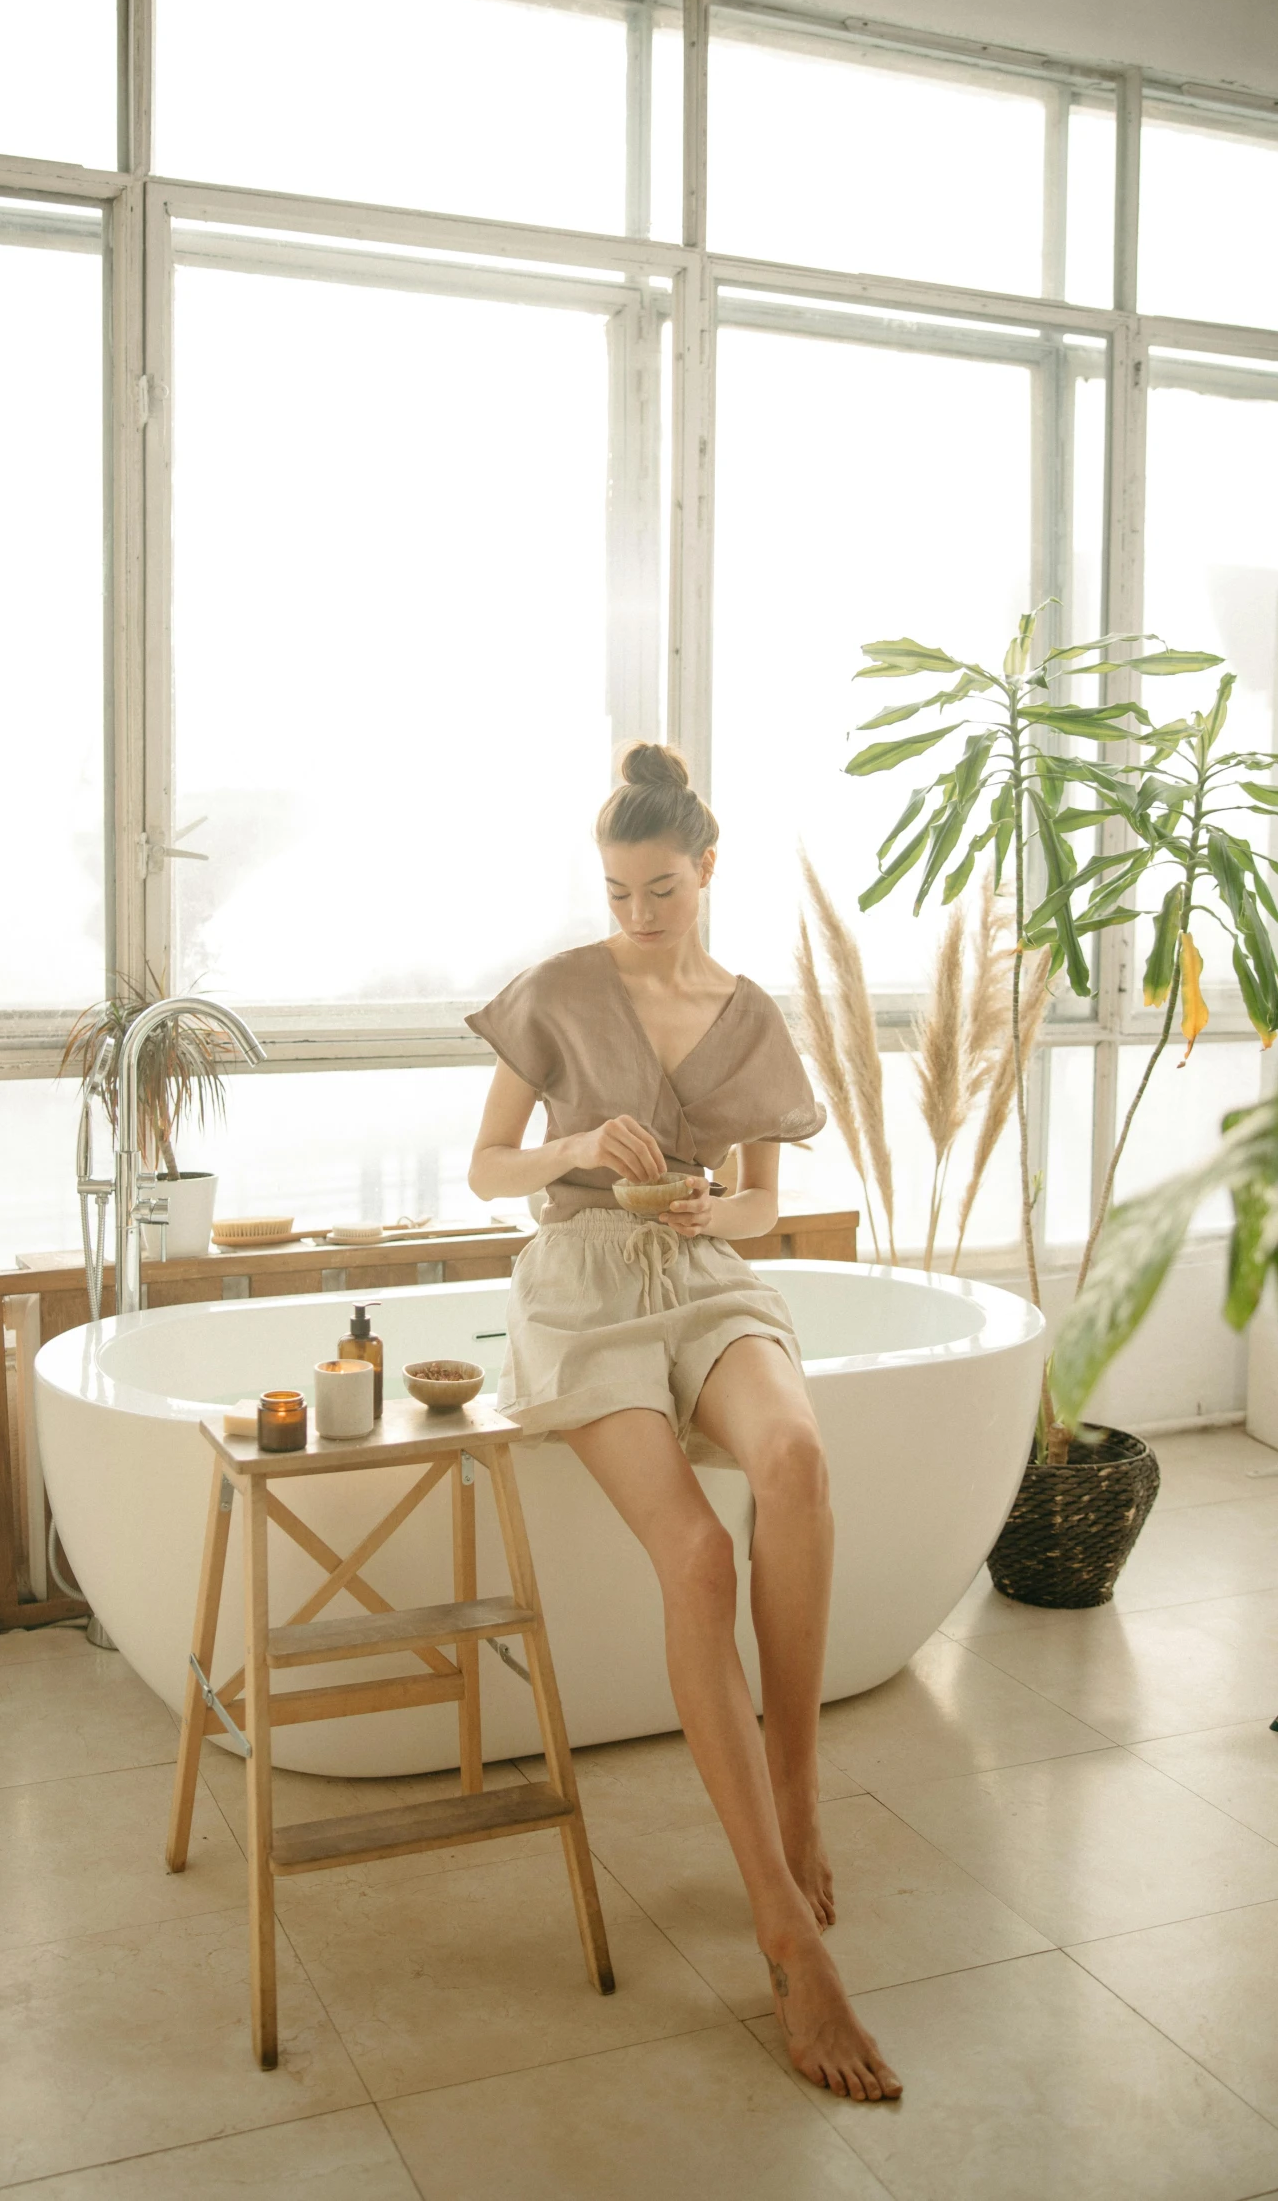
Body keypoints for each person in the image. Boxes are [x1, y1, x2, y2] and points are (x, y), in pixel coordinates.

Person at [465, 741, 902, 2104]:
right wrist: (578, 1144)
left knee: (796, 1459)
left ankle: (800, 1793)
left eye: (657, 889)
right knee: (698, 1557)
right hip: (585, 1288)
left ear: (705, 871)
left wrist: (729, 1215)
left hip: (708, 1273)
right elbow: (484, 1168)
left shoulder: (749, 1012)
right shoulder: (555, 990)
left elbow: (769, 1200)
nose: (634, 915)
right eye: (614, 892)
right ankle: (779, 1924)